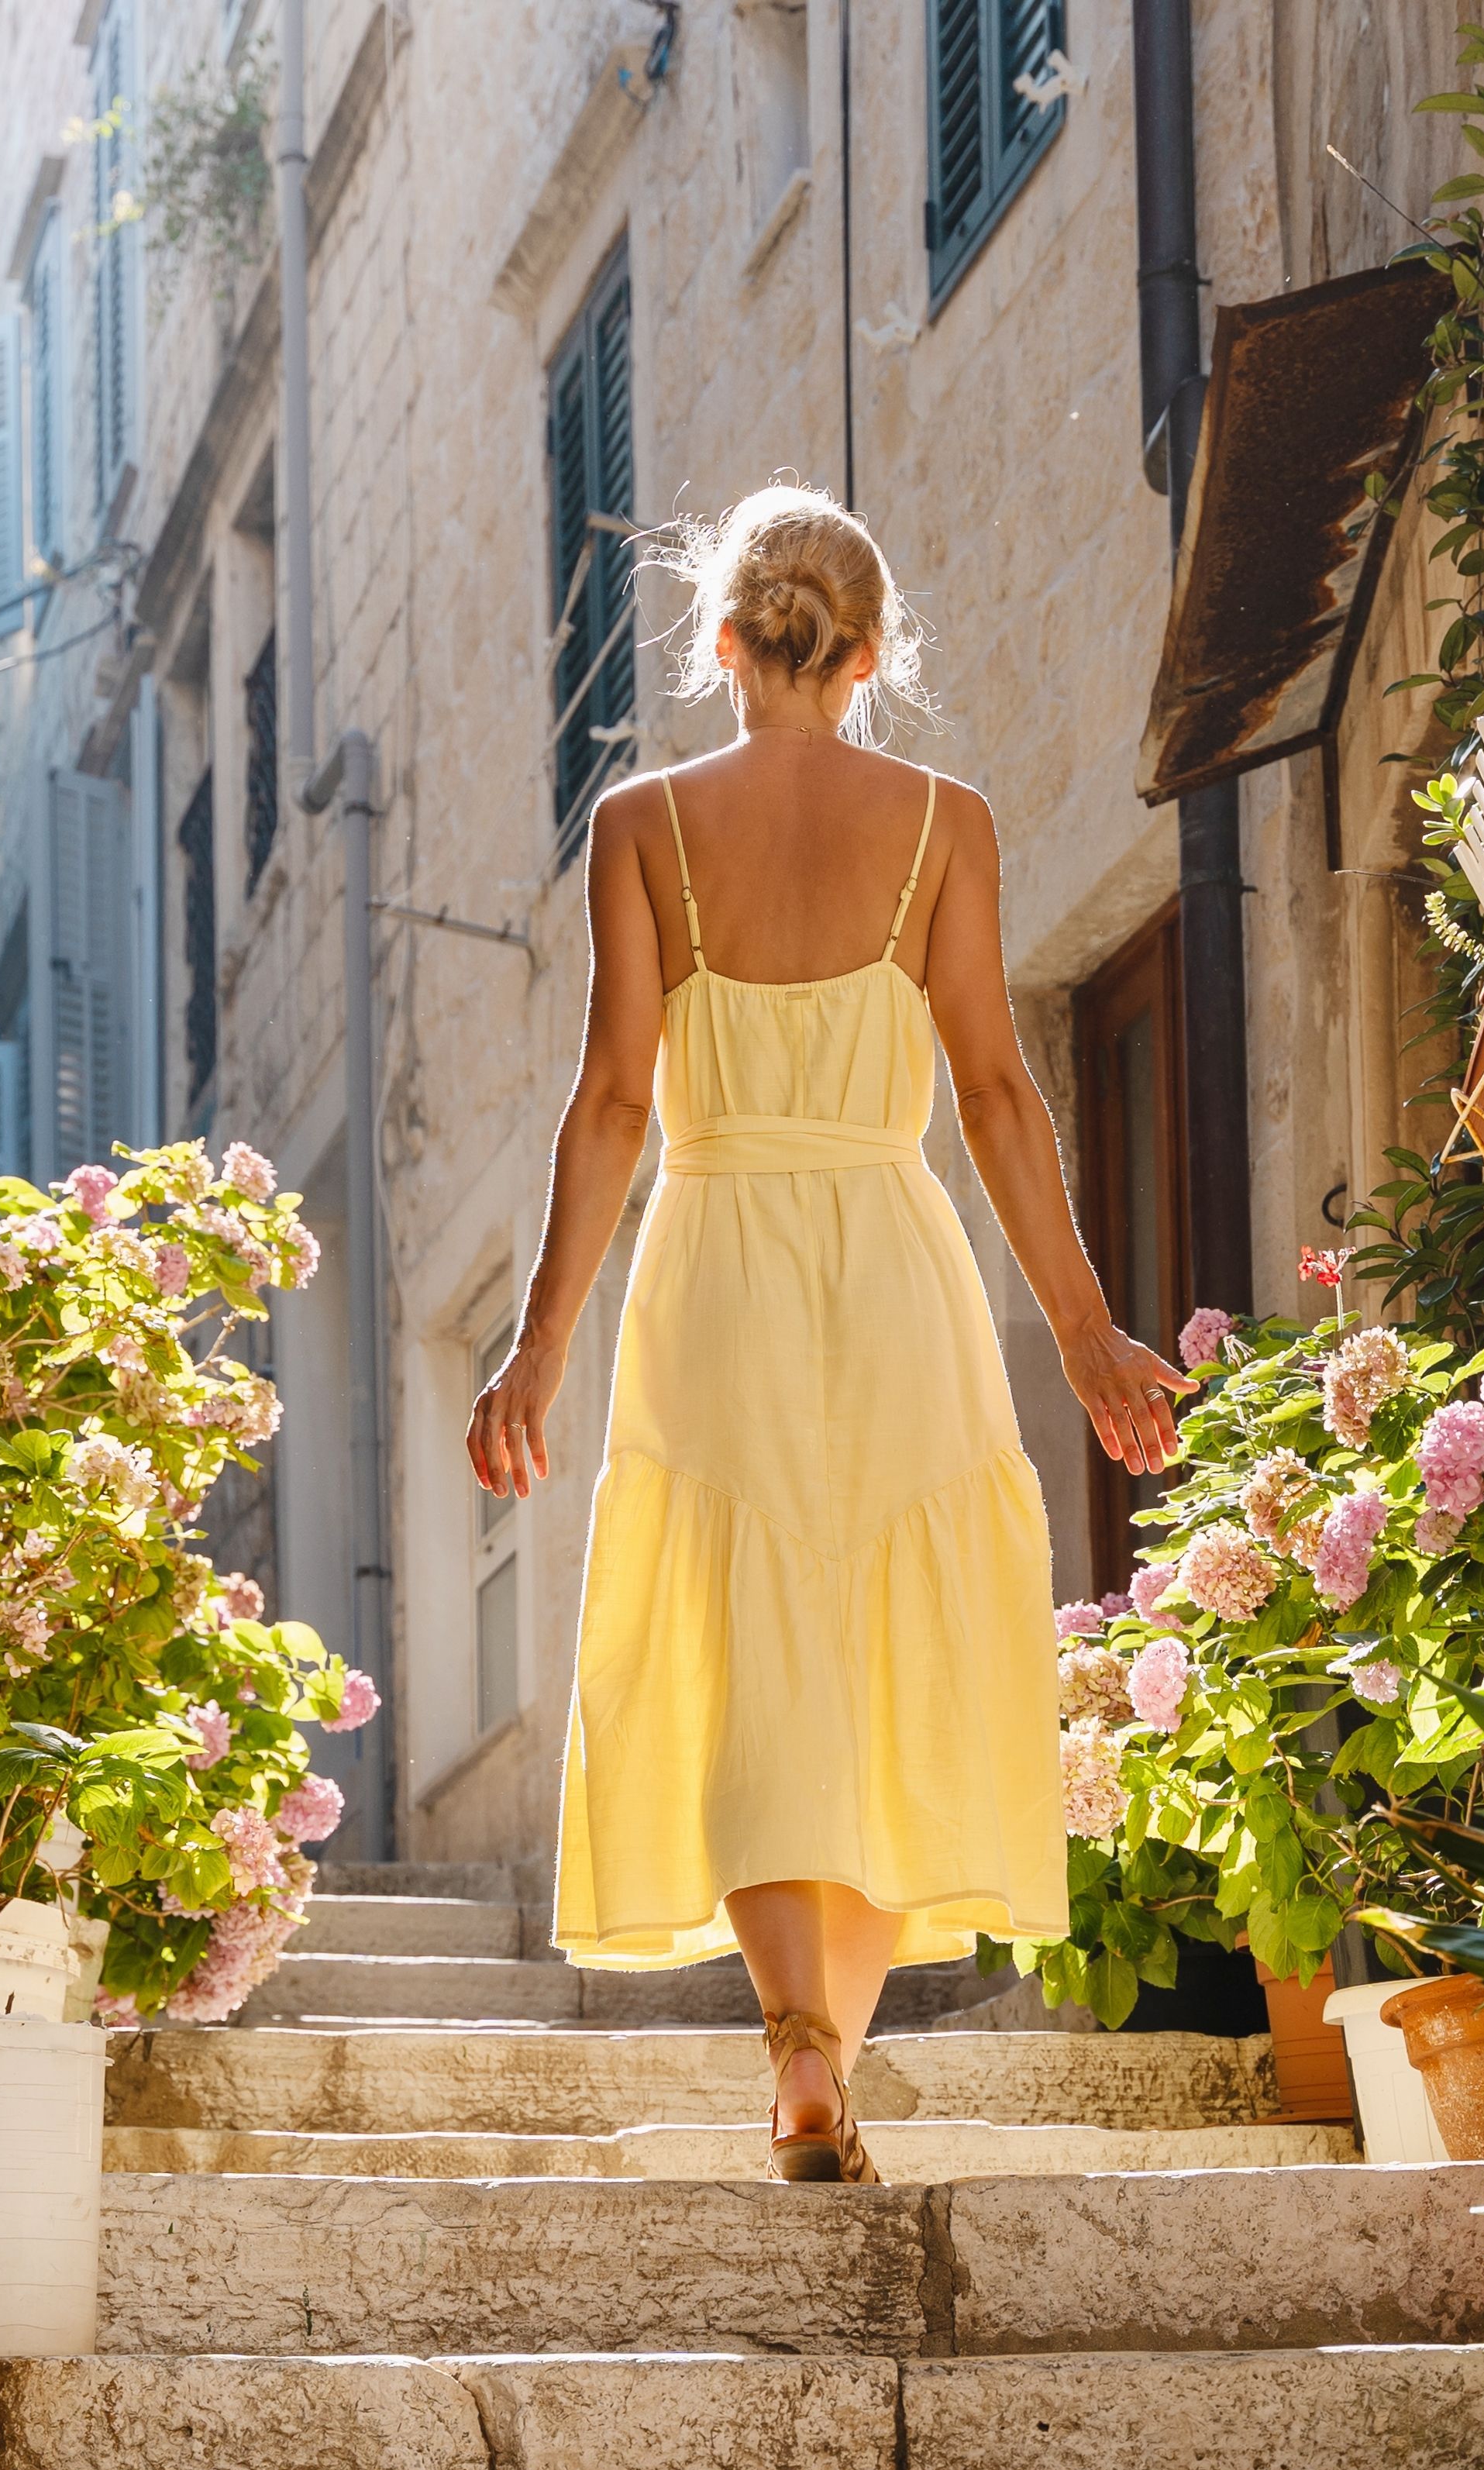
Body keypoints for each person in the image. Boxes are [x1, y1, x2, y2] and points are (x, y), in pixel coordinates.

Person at [463, 483, 1184, 2182]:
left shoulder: (640, 828)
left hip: (710, 1260)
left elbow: (613, 1104)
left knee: (754, 1648)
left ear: (719, 642)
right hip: (891, 1260)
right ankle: (821, 2061)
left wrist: (537, 1342)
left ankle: (800, 2048)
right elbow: (999, 1097)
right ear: (869, 652)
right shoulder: (947, 822)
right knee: (870, 1647)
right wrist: (1082, 1330)